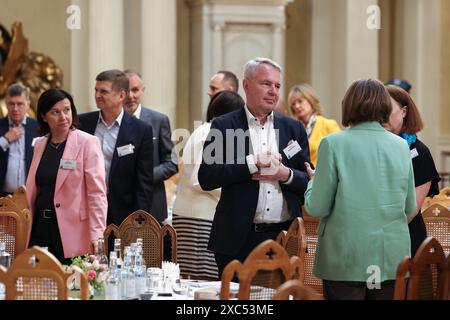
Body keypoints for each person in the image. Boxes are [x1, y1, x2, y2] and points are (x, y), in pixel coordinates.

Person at [304, 79, 416, 300]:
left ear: (349, 105)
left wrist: (312, 182)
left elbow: (317, 206)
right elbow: (410, 206)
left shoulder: (333, 144)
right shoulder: (401, 146)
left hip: (346, 256)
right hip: (388, 256)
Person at [198, 58, 310, 277]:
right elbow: (207, 177)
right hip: (237, 240)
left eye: (277, 86)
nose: (273, 91)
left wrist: (285, 174)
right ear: (246, 85)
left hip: (284, 238)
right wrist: (252, 163)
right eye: (266, 84)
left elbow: (309, 180)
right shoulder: (225, 125)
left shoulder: (293, 128)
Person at [26, 89, 107, 264]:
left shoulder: (87, 142)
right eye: (55, 112)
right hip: (40, 227)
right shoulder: (40, 144)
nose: (63, 117)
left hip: (72, 231)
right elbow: (34, 189)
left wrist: (97, 234)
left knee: (72, 286)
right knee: (40, 284)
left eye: (67, 110)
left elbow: (97, 194)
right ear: (44, 116)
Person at [173, 91, 245, 280]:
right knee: (202, 283)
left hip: (193, 214)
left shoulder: (204, 129)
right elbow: (201, 180)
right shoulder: (211, 132)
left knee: (195, 280)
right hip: (200, 218)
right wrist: (236, 191)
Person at [79, 69, 153, 227]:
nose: (97, 95)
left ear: (121, 95)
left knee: (115, 253)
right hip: (86, 210)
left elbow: (144, 182)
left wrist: (138, 222)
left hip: (122, 214)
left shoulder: (141, 130)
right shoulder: (83, 123)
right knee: (84, 253)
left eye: (103, 91)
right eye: (96, 90)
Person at [383, 85, 441, 257]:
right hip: (375, 237)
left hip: (405, 235)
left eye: (388, 110)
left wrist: (382, 231)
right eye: (379, 110)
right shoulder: (375, 149)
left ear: (404, 111)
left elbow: (412, 209)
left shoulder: (419, 152)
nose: (382, 116)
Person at [123, 70, 178, 223]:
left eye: (135, 90)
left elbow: (171, 164)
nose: (130, 96)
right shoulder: (111, 123)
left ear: (142, 91)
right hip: (119, 205)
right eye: (126, 90)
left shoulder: (159, 120)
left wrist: (142, 177)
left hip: (152, 203)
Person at [288, 83, 340, 166]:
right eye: (293, 104)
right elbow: (289, 156)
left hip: (323, 175)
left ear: (311, 100)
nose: (297, 106)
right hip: (302, 176)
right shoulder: (294, 130)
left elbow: (339, 154)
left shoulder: (328, 124)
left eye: (300, 101)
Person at [0, 83, 38, 196]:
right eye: (11, 104)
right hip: (3, 196)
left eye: (20, 104)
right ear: (6, 104)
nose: (15, 109)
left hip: (30, 196)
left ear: (28, 104)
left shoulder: (38, 127)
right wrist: (5, 140)